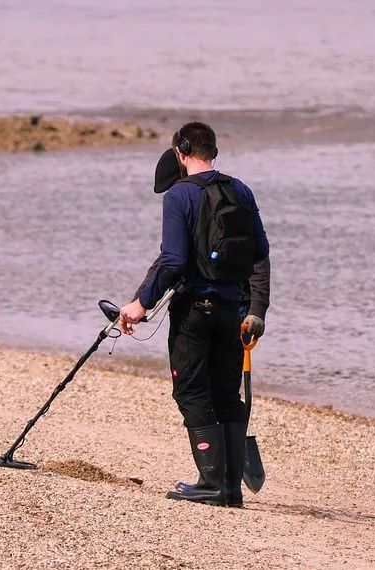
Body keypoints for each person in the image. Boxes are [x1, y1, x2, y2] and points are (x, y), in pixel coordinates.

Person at [119, 122, 270, 507]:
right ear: (213, 150)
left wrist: (140, 304)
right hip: (233, 312)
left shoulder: (179, 195)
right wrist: (256, 309)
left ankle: (210, 482)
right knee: (227, 395)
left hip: (194, 313)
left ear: (181, 152)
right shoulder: (241, 190)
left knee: (191, 391)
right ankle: (230, 489)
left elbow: (172, 259)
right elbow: (260, 253)